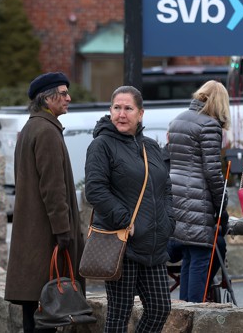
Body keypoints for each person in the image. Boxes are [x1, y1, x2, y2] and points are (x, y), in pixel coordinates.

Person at [85, 86, 173, 332]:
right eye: (116, 108)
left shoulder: (151, 147)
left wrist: (168, 221)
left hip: (153, 243)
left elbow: (166, 186)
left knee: (160, 308)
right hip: (122, 242)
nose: (121, 114)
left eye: (128, 108)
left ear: (141, 113)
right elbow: (95, 190)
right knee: (119, 314)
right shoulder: (101, 145)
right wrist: (125, 220)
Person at [5, 72, 85, 333]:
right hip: (46, 236)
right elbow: (53, 188)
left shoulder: (31, 128)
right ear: (47, 98)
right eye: (63, 94)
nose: (68, 98)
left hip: (33, 234)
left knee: (35, 311)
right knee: (46, 312)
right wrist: (63, 231)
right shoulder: (46, 131)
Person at [166, 80, 230, 303]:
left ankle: (183, 312)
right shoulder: (210, 125)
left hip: (177, 198)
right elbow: (213, 172)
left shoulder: (178, 120)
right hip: (198, 200)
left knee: (189, 258)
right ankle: (194, 312)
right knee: (201, 257)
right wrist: (223, 208)